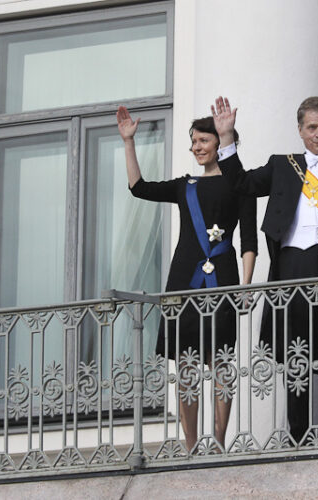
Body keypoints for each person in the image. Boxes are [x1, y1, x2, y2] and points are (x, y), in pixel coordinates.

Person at [211, 96, 318, 444]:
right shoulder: (282, 166)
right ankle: (299, 435)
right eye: (312, 127)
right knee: (296, 354)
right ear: (300, 130)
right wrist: (226, 138)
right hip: (292, 265)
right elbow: (242, 184)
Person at [116, 106, 258, 452]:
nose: (196, 147)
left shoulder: (241, 185)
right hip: (183, 282)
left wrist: (245, 286)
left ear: (221, 141)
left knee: (222, 362)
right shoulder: (185, 186)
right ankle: (192, 445)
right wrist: (129, 142)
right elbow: (139, 187)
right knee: (187, 365)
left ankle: (219, 442)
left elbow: (250, 241)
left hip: (222, 279)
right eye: (193, 141)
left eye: (203, 139)